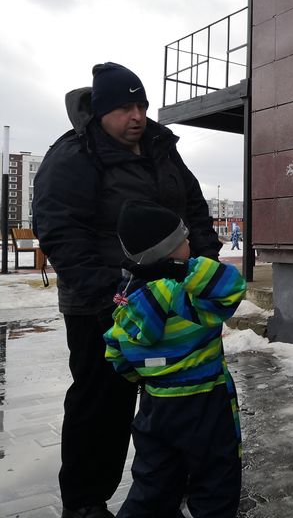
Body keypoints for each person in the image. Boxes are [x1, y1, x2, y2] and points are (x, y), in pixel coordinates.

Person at [33, 62, 221, 518]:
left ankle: (167, 488)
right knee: (101, 405)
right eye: (124, 108)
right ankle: (85, 502)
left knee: (176, 398)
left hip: (172, 299)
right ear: (101, 111)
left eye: (142, 105)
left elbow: (195, 210)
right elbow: (60, 232)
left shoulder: (161, 148)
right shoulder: (74, 155)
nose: (137, 116)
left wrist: (205, 266)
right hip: (101, 305)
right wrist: (109, 295)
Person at [105, 199, 246, 517]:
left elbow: (116, 351)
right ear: (169, 253)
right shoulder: (185, 296)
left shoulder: (128, 300)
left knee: (153, 482)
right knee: (215, 481)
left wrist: (148, 374)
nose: (190, 243)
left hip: (156, 405)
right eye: (183, 240)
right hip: (205, 402)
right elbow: (232, 287)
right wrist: (187, 270)